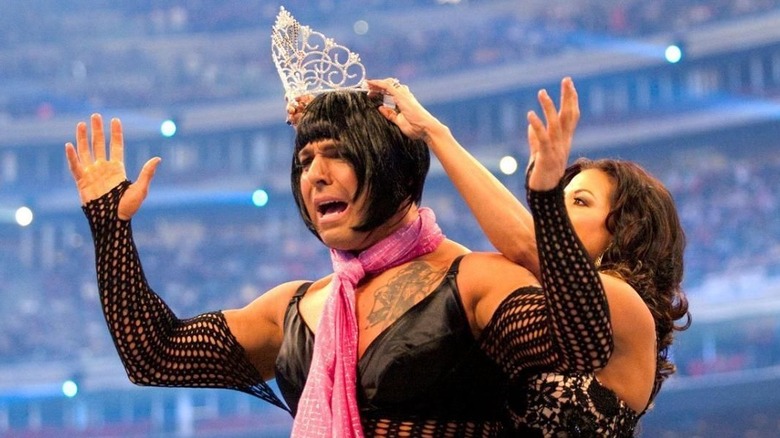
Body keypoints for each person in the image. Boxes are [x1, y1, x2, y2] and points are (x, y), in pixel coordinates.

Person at [65, 74, 624, 436]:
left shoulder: (473, 279)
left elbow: (583, 346)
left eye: (337, 154)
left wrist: (547, 201)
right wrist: (111, 228)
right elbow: (154, 356)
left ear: (391, 168)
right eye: (305, 159)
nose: (314, 173)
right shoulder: (296, 307)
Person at [376, 76, 691, 436]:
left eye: (579, 201)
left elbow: (527, 244)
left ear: (627, 230)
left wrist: (437, 134)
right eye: (561, 197)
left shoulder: (625, 304)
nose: (558, 209)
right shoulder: (527, 297)